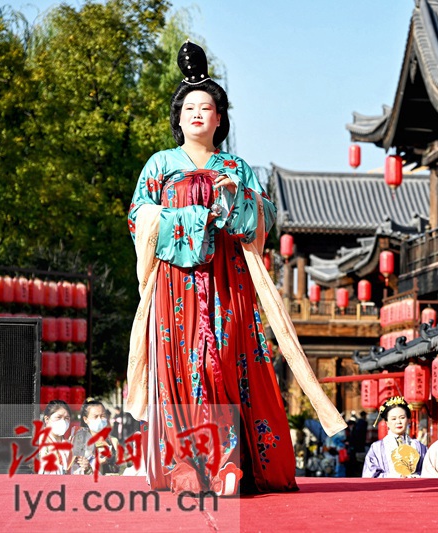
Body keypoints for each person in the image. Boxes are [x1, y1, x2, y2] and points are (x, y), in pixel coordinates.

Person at [126, 41, 299, 495]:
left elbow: (266, 217)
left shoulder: (236, 166)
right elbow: (138, 218)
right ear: (178, 118)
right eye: (190, 107)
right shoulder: (160, 165)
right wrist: (191, 219)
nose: (198, 114)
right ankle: (185, 462)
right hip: (176, 284)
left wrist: (234, 198)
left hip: (228, 283)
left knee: (222, 359)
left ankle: (227, 462)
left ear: (221, 119)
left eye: (207, 107)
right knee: (182, 364)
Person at [362, 397, 427, 478]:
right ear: (387, 422)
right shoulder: (377, 448)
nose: (398, 422)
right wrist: (395, 476)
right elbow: (369, 475)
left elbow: (428, 472)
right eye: (393, 419)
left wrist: (414, 476)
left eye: (402, 418)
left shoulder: (419, 446)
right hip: (388, 489)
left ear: (408, 420)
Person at [72, 399, 120, 476]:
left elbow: (118, 470)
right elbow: (74, 469)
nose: (100, 419)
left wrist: (110, 461)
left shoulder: (113, 441)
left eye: (102, 416)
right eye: (95, 416)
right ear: (85, 419)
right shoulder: (79, 441)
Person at [36, 400, 73, 475]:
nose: (63, 421)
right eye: (58, 417)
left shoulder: (70, 444)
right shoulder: (38, 442)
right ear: (47, 419)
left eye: (66, 418)